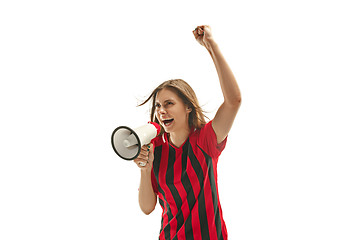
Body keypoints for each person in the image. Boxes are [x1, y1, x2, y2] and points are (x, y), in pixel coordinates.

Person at [134, 25, 241, 240]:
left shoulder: (205, 140)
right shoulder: (157, 151)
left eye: (169, 104)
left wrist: (212, 47)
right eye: (158, 106)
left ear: (188, 107)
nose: (161, 111)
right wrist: (145, 170)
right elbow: (147, 208)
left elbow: (233, 101)